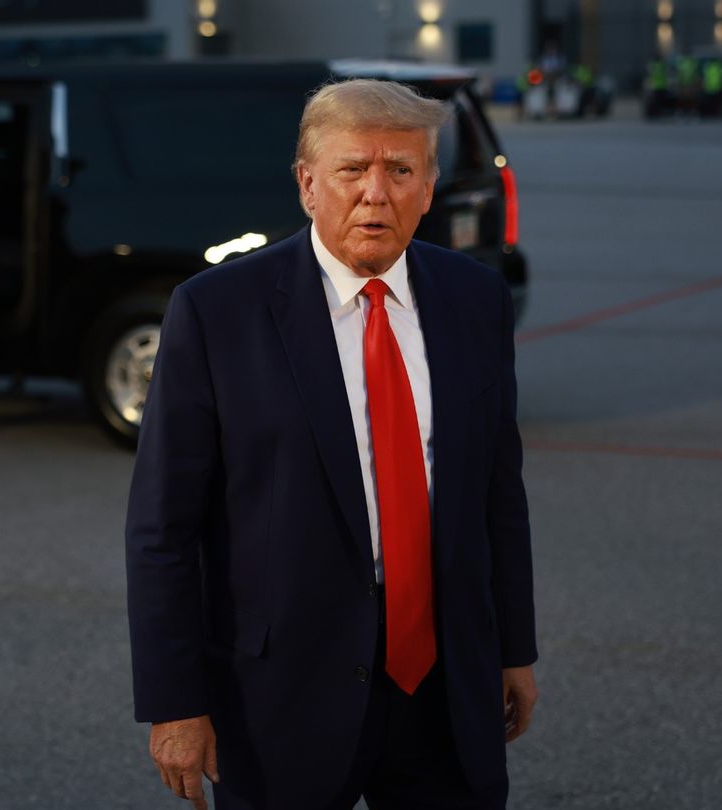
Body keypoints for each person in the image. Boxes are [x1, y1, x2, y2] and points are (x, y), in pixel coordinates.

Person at [126, 79, 538, 810]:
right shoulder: (219, 311)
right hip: (279, 694)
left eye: (400, 171)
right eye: (353, 170)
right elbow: (163, 527)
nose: (376, 194)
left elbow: (499, 492)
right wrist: (174, 701)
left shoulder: (475, 299)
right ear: (307, 184)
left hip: (446, 686)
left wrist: (513, 649)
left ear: (429, 186)